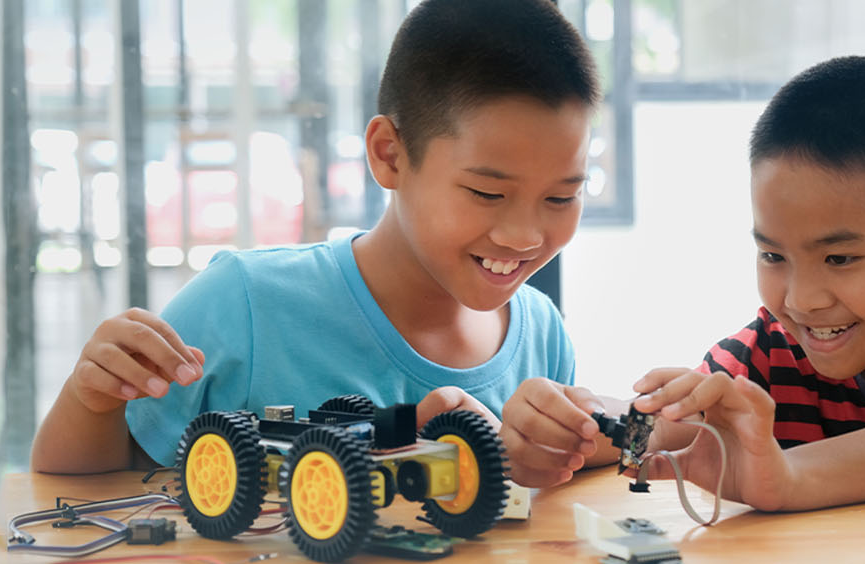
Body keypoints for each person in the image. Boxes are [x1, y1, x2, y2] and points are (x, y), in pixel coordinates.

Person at [31, 0, 603, 473]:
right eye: (486, 193)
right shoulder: (246, 304)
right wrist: (93, 402)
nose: (525, 235)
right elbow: (81, 488)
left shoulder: (543, 335)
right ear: (390, 155)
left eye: (561, 197)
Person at [512, 56, 865, 511]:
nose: (799, 300)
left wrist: (790, 479)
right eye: (772, 254)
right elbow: (668, 429)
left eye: (839, 258)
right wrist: (573, 427)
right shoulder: (774, 351)